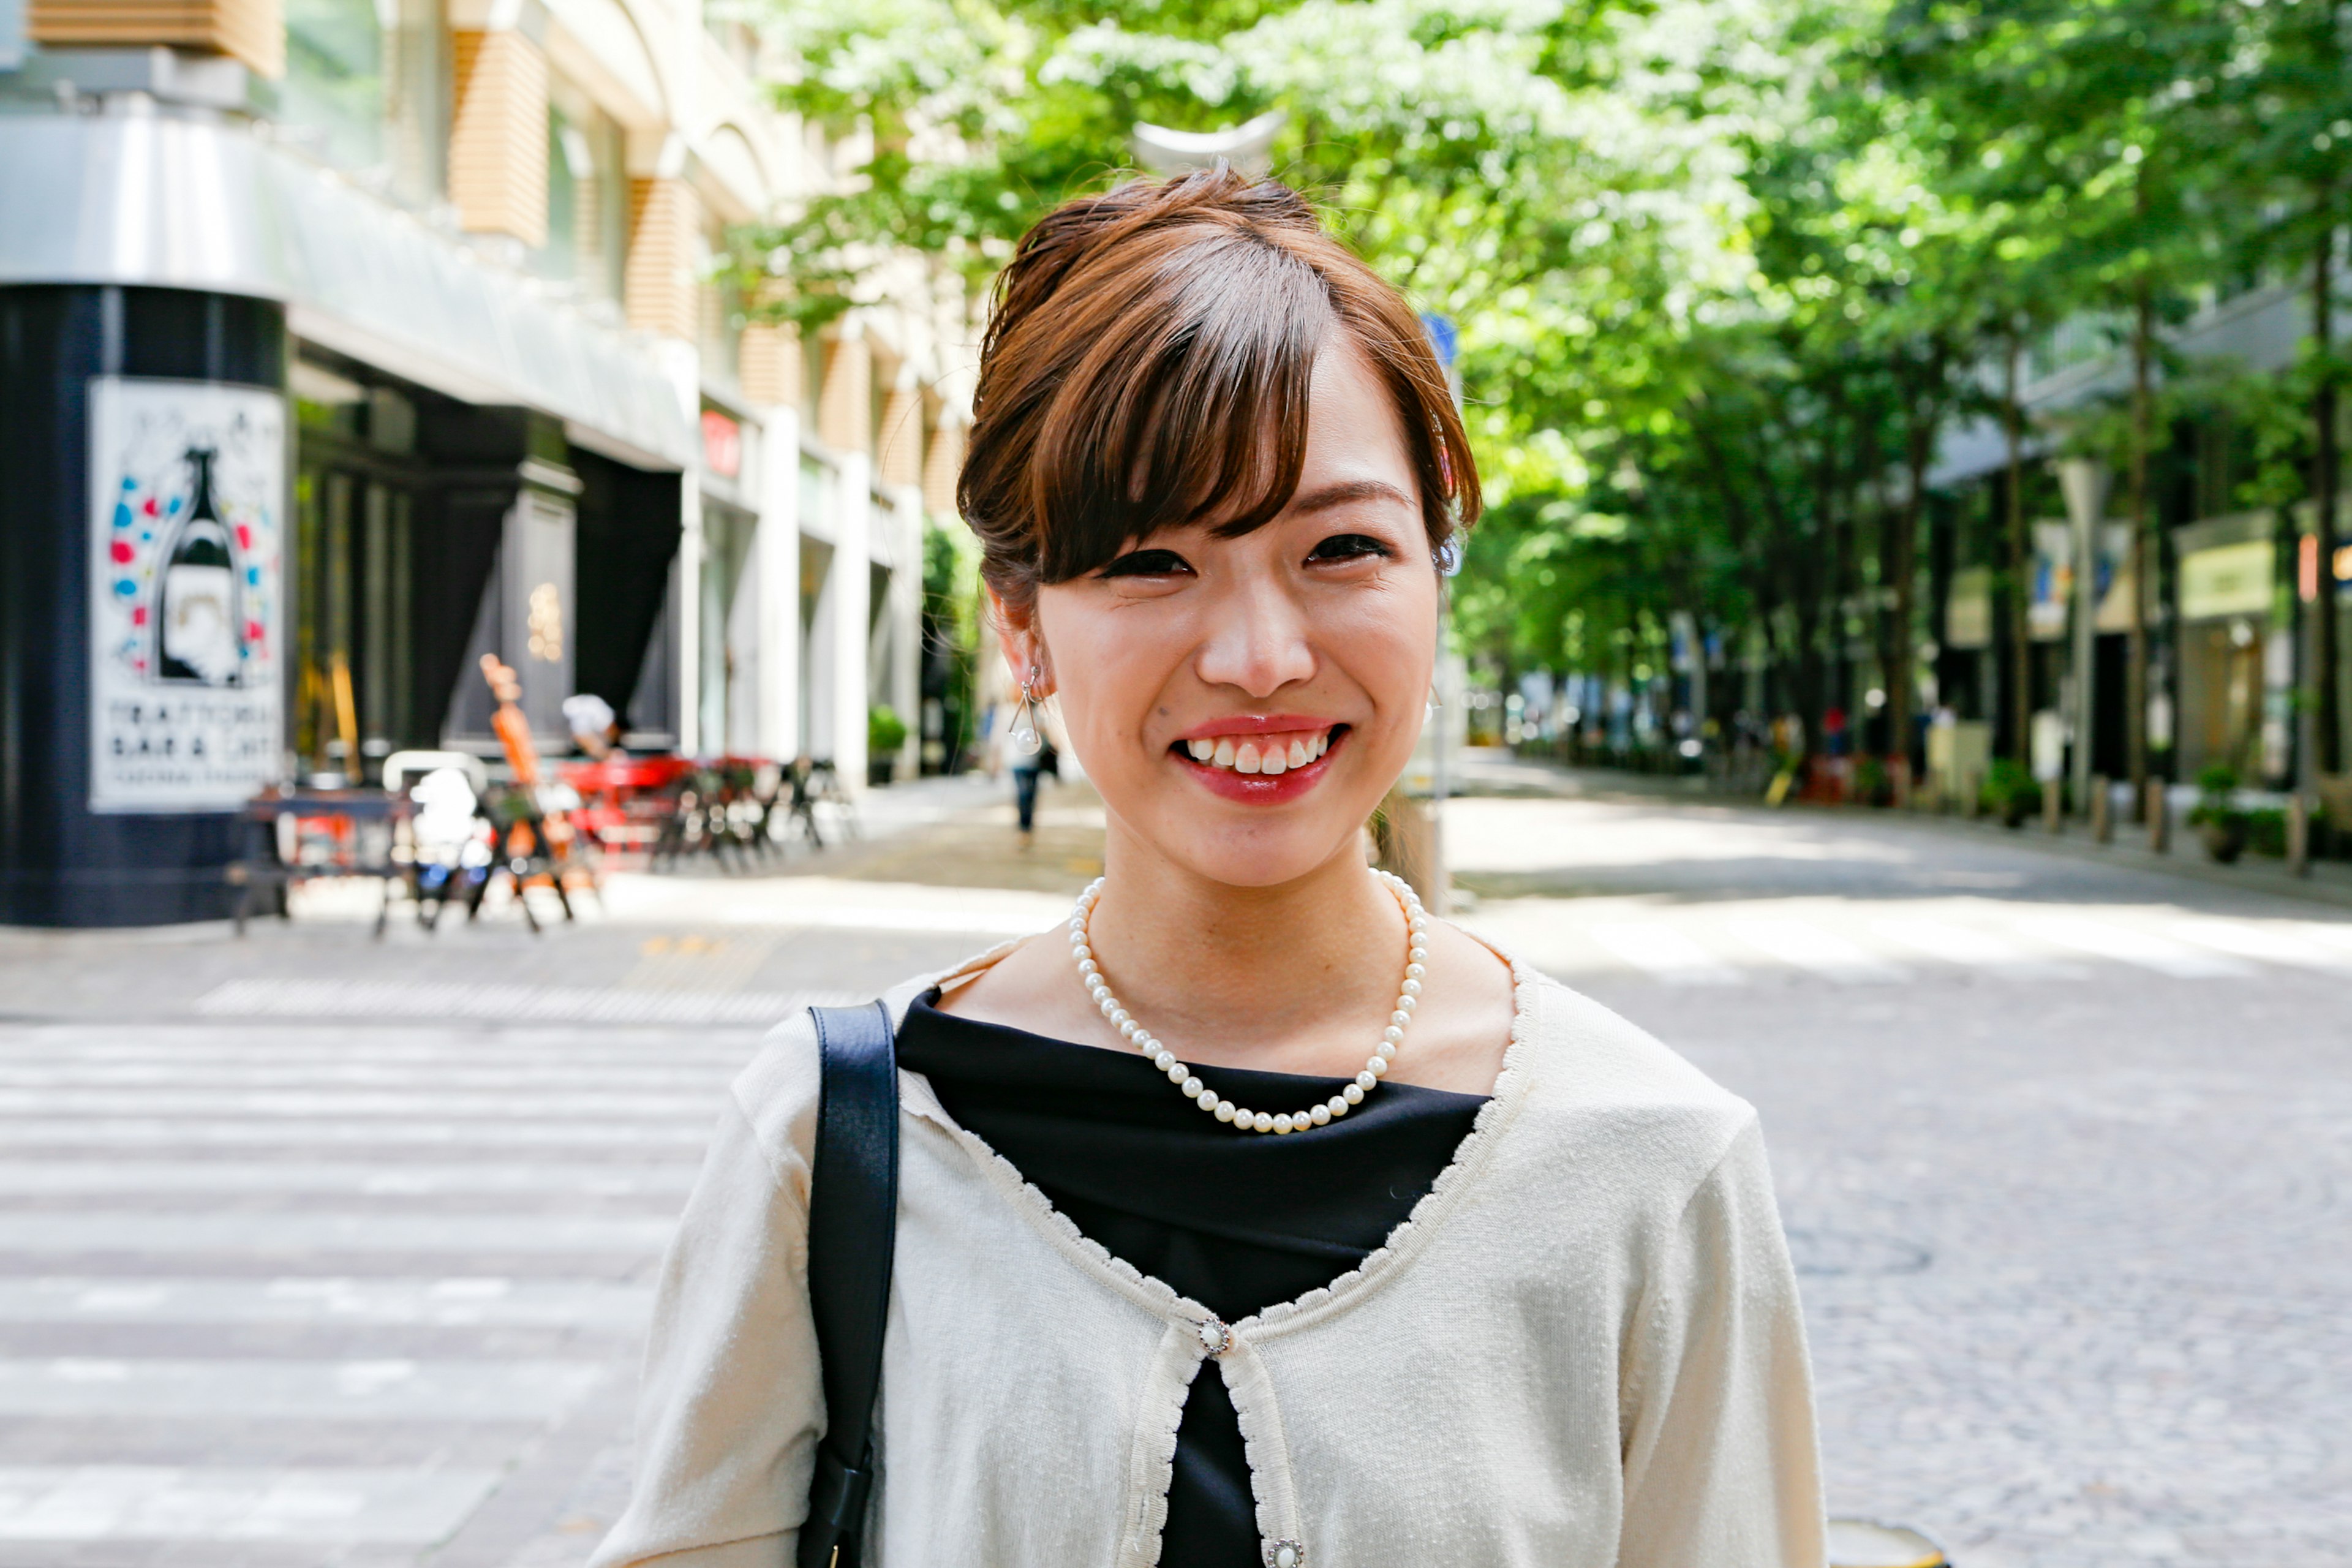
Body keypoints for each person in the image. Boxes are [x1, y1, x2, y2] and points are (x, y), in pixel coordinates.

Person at [591, 170, 1825, 1568]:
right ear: (1025, 625)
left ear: (1438, 569)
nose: (1259, 658)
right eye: (1153, 561)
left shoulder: (1649, 1156)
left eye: (1343, 546)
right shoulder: (845, 1134)